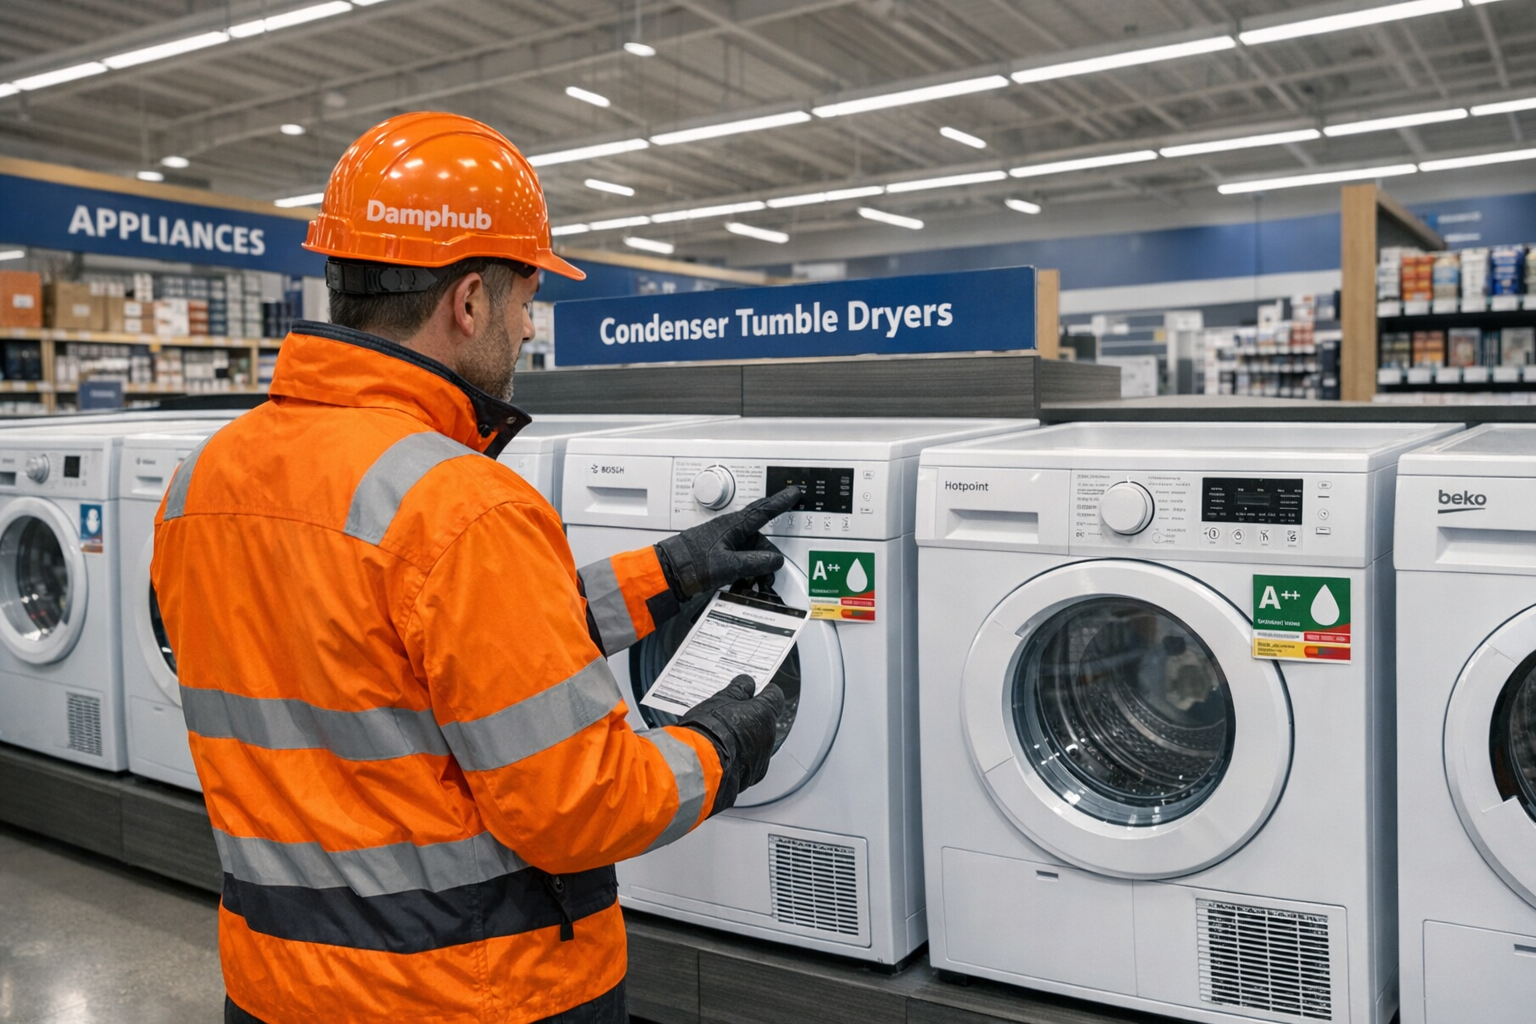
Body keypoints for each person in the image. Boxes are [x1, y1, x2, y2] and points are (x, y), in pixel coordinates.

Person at [151, 111, 797, 1024]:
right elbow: (578, 808)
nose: (528, 329)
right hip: (466, 991)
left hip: (272, 983)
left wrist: (664, 573)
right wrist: (723, 746)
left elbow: (381, 662)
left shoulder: (202, 478)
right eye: (527, 298)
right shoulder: (460, 502)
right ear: (468, 300)